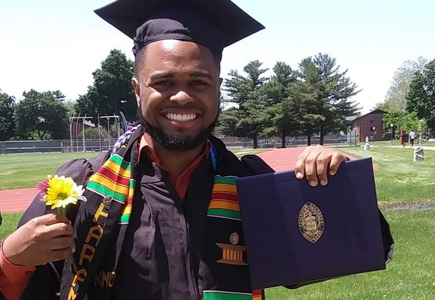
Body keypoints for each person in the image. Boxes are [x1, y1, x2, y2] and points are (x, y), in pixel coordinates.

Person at [0, 0, 394, 299]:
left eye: (199, 82)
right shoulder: (82, 188)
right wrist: (11, 259)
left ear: (218, 89)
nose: (183, 96)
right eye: (164, 82)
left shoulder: (255, 188)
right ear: (138, 91)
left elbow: (363, 247)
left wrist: (336, 187)